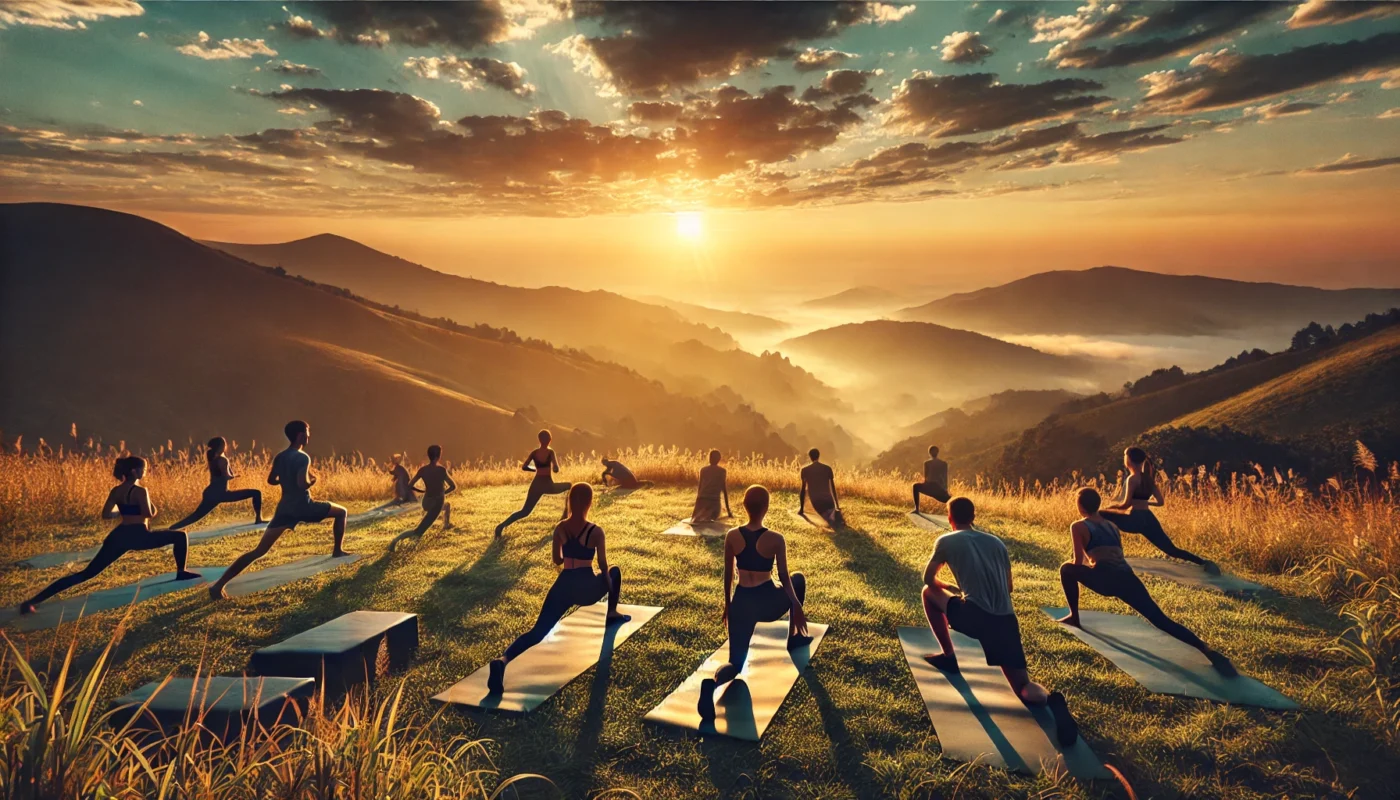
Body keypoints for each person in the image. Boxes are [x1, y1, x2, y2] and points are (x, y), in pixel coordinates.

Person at [920, 496, 1078, 747]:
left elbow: (929, 579)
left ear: (950, 518)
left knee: (928, 594)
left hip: (974, 615)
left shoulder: (946, 540)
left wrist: (950, 587)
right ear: (973, 517)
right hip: (1005, 621)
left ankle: (948, 656)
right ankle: (1050, 700)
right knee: (1024, 687)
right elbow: (1009, 587)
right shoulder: (996, 542)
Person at [1058, 487, 1237, 677]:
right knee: (1160, 619)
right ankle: (1208, 651)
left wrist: (1078, 563)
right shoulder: (1112, 525)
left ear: (1080, 507)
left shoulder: (1078, 526)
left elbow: (1078, 562)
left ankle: (1074, 616)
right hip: (1128, 578)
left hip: (1105, 580)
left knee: (1066, 568)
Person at [488, 482, 629, 694]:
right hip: (587, 588)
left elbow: (557, 560)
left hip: (563, 585)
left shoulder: (561, 528)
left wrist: (570, 553)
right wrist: (609, 587)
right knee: (615, 571)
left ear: (570, 501)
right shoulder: (596, 531)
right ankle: (612, 612)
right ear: (590, 502)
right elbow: (603, 565)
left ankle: (502, 660)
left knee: (537, 632)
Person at [20, 456, 199, 614]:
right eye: (143, 469)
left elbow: (106, 514)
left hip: (119, 536)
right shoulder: (140, 491)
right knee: (180, 536)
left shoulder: (116, 491)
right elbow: (149, 514)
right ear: (134, 471)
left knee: (87, 574)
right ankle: (181, 572)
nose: (145, 472)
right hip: (139, 535)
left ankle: (32, 601)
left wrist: (124, 512)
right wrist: (146, 502)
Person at [698, 485, 813, 719]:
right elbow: (784, 578)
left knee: (735, 664)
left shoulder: (732, 536)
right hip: (767, 602)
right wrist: (797, 606)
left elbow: (728, 575)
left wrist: (729, 605)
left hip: (741, 602)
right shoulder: (775, 539)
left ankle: (712, 683)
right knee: (798, 579)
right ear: (766, 508)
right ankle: (794, 637)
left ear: (744, 506)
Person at [208, 420, 349, 600]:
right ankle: (337, 551)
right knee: (342, 512)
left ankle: (218, 586)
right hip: (304, 506)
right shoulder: (303, 457)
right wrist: (312, 480)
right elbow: (301, 484)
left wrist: (285, 481)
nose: (309, 436)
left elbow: (271, 480)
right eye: (307, 432)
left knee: (258, 551)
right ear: (300, 435)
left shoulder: (280, 457)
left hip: (284, 509)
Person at [1100, 447, 1218, 575]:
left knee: (1100, 514)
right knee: (1171, 549)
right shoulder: (1149, 479)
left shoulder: (1132, 479)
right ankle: (1204, 562)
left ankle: (1104, 556)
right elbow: (1160, 502)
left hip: (1134, 519)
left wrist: (1110, 507)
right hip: (1148, 518)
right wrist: (1144, 502)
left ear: (1128, 460)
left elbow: (1125, 505)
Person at [168, 436, 264, 529]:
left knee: (195, 516)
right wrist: (235, 476)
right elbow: (227, 476)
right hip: (220, 494)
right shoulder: (222, 460)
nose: (226, 446)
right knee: (256, 493)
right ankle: (258, 519)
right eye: (224, 444)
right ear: (222, 446)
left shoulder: (213, 458)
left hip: (211, 492)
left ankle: (172, 528)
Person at [495, 429, 570, 538]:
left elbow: (524, 467)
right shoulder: (550, 452)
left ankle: (501, 526)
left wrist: (536, 469)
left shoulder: (534, 453)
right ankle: (565, 516)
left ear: (539, 440)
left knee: (524, 511)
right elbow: (556, 469)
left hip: (536, 484)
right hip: (548, 485)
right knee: (570, 486)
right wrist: (554, 468)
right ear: (550, 440)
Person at [389, 444, 456, 549]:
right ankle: (395, 543)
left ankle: (446, 525)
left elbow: (410, 485)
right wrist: (443, 493)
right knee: (418, 531)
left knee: (446, 506)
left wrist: (423, 491)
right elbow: (453, 486)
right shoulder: (442, 470)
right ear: (439, 456)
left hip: (426, 502)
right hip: (437, 503)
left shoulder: (423, 470)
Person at [798, 448, 842, 526]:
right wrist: (837, 506)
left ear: (810, 457)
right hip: (829, 502)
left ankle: (829, 517)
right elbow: (833, 488)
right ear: (819, 456)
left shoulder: (805, 470)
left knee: (823, 514)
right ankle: (832, 514)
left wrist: (801, 509)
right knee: (830, 513)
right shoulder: (828, 469)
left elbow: (803, 490)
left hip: (816, 502)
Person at [691, 449, 731, 523]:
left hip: (702, 499)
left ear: (709, 458)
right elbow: (724, 490)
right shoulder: (722, 471)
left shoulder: (703, 470)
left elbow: (700, 489)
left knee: (698, 519)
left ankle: (703, 516)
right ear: (719, 459)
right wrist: (728, 511)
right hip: (714, 501)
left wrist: (697, 507)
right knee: (713, 520)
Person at [913, 445, 950, 513]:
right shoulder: (944, 463)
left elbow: (926, 478)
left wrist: (926, 487)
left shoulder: (927, 463)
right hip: (940, 489)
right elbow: (945, 478)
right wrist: (945, 490)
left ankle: (917, 509)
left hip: (930, 487)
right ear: (938, 452)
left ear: (929, 453)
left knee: (915, 486)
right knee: (951, 500)